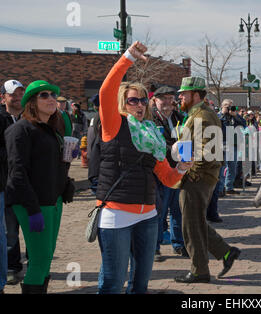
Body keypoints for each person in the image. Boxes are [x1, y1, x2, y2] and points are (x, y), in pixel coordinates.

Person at [95, 41, 192, 294]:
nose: (139, 104)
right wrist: (127, 58)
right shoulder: (114, 125)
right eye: (132, 100)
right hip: (115, 213)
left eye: (142, 100)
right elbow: (106, 90)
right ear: (122, 103)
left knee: (141, 284)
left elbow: (167, 179)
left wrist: (181, 168)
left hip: (148, 215)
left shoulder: (152, 135)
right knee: (113, 283)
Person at [5, 80, 74, 293]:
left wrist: (66, 184)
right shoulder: (20, 130)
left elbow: (53, 165)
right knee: (40, 258)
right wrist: (33, 209)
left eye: (53, 95)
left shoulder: (50, 130)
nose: (51, 99)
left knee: (46, 256)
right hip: (33, 204)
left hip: (53, 201)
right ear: (32, 102)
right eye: (44, 95)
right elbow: (17, 174)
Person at [174, 76, 240, 283]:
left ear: (195, 95)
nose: (180, 97)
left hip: (197, 177)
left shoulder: (202, 115)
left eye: (184, 94)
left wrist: (191, 174)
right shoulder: (197, 113)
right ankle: (226, 253)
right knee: (195, 222)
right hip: (199, 176)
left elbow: (206, 152)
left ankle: (199, 270)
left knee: (190, 225)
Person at [151, 86, 189, 260]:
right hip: (161, 170)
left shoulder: (178, 117)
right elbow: (153, 143)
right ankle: (155, 246)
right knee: (160, 209)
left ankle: (179, 244)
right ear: (155, 100)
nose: (167, 102)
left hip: (179, 169)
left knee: (178, 209)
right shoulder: (150, 119)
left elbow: (187, 138)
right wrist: (173, 150)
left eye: (169, 98)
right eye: (162, 99)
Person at [0, 80, 25, 286]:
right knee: (9, 231)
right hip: (6, 184)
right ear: (3, 98)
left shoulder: (29, 119)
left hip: (29, 184)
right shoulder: (2, 120)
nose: (17, 98)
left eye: (20, 94)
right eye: (12, 95)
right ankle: (11, 267)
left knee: (33, 228)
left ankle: (34, 265)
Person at [218, 99, 246, 195]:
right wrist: (223, 113)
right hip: (222, 143)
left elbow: (244, 125)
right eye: (227, 106)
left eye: (231, 105)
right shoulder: (218, 116)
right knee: (222, 167)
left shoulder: (235, 116)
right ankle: (220, 189)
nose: (229, 107)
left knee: (232, 167)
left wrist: (236, 115)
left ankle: (229, 187)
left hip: (233, 144)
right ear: (222, 106)